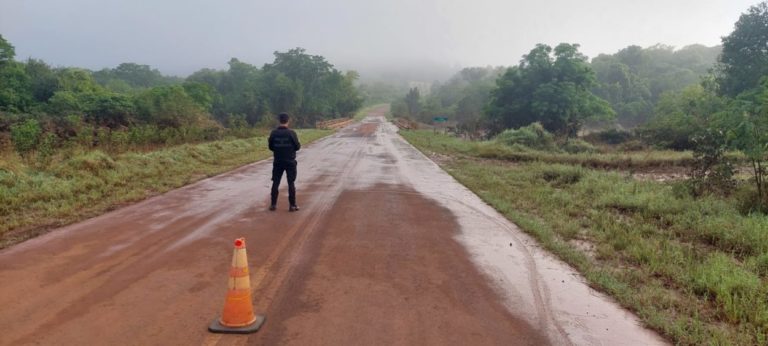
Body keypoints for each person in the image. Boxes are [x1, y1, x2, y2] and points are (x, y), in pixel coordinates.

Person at [268, 113, 301, 211]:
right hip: (290, 161)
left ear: (279, 120)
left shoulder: (273, 133)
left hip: (278, 161)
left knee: (276, 182)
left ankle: (273, 205)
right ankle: (292, 205)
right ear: (288, 121)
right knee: (291, 183)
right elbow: (298, 147)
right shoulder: (292, 133)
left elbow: (270, 147)